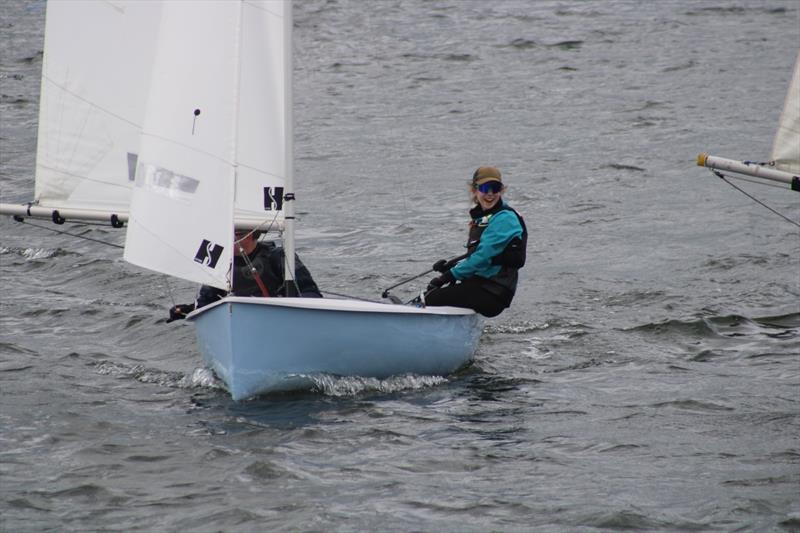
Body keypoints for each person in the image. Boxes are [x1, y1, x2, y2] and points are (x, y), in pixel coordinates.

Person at [425, 166, 527, 317]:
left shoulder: (504, 218)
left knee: (431, 298)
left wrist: (446, 277)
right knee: (438, 293)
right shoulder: (484, 217)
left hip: (493, 292)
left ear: (502, 190)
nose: (490, 194)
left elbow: (482, 258)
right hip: (483, 285)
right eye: (485, 188)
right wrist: (450, 267)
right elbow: (481, 255)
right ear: (474, 190)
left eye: (495, 188)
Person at [167, 230, 321, 321]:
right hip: (241, 321)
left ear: (254, 234)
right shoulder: (222, 265)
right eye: (230, 234)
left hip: (280, 318)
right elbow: (206, 304)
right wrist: (188, 310)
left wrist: (299, 310)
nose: (233, 239)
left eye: (239, 234)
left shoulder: (278, 256)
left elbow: (310, 292)